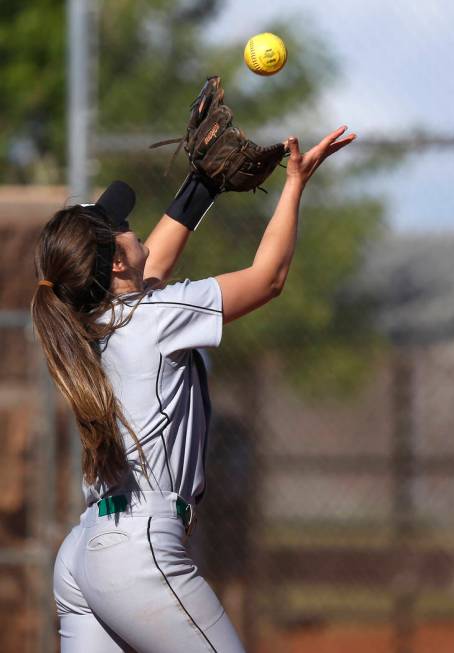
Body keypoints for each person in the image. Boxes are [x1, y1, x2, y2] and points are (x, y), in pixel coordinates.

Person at [31, 126, 355, 653]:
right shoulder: (155, 318)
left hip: (85, 552)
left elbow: (149, 267)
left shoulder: (85, 319)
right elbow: (268, 277)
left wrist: (199, 187)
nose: (134, 231)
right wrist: (295, 183)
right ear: (115, 263)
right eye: (124, 227)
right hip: (139, 552)